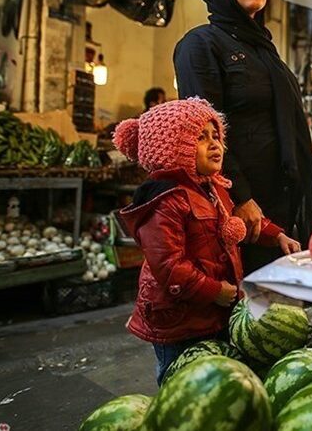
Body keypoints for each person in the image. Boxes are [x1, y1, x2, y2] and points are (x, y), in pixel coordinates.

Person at [112, 98, 300, 385]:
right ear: (174, 147)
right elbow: (169, 266)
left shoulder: (214, 188)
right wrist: (212, 290)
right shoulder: (164, 201)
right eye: (201, 137)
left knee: (210, 381)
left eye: (216, 136)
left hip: (212, 312)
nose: (215, 145)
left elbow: (238, 222)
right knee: (179, 380)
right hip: (178, 320)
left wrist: (277, 236)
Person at [174, 0, 312, 274]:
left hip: (281, 214)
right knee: (244, 311)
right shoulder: (200, 45)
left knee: (282, 313)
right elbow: (204, 132)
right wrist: (240, 197)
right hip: (241, 218)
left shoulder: (266, 52)